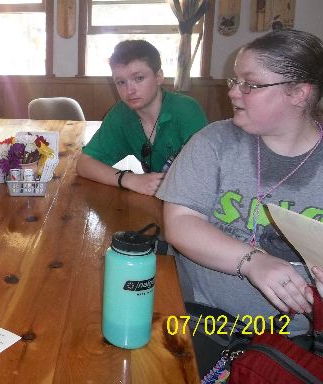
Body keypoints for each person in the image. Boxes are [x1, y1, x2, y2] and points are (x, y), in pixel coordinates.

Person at [157, 29, 323, 340]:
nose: (234, 92)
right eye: (235, 81)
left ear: (299, 93)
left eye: (250, 84)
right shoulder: (215, 141)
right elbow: (180, 222)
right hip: (202, 319)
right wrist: (251, 261)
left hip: (296, 340)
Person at [76, 40, 208, 196]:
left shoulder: (185, 109)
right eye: (121, 82)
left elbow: (206, 172)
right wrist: (130, 180)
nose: (129, 90)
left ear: (158, 77)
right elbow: (84, 164)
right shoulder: (121, 113)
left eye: (138, 78)